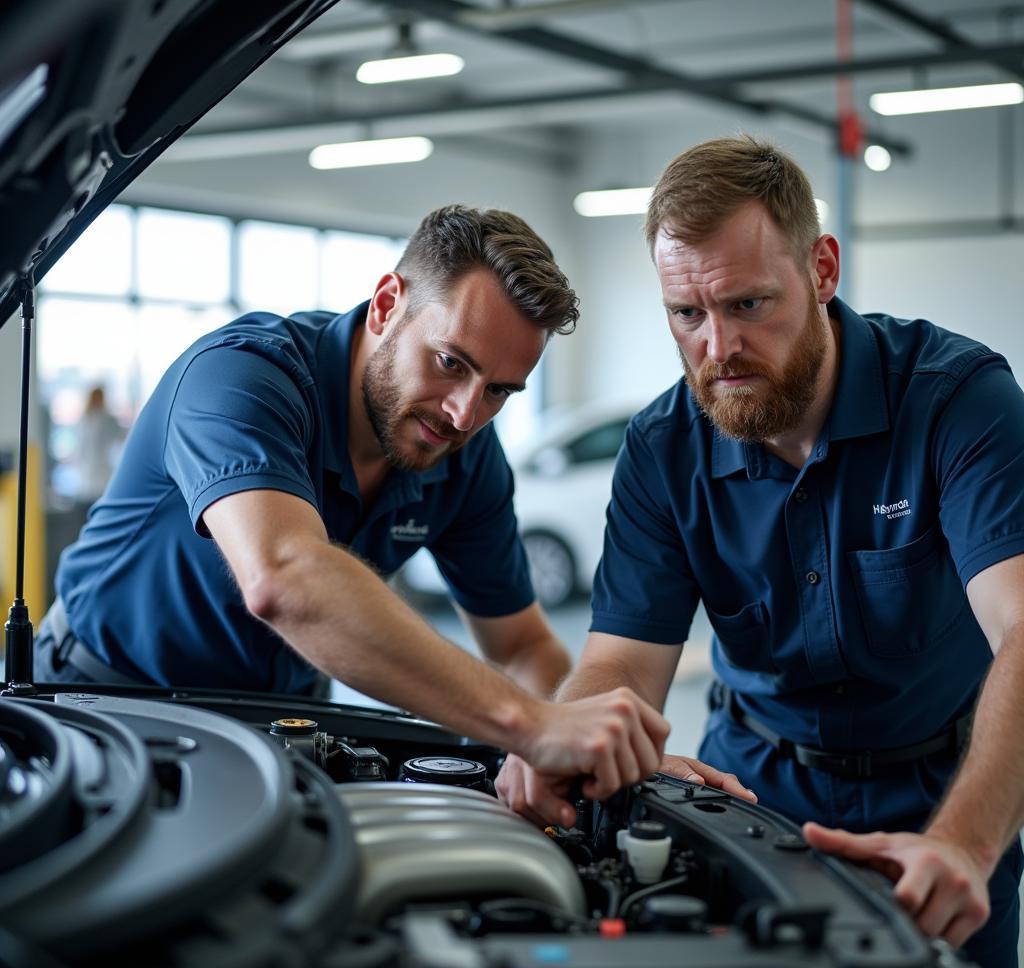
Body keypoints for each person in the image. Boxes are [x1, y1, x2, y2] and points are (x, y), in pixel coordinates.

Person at [497, 137, 1024, 968]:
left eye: (748, 303)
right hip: (749, 798)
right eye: (687, 315)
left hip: (944, 797)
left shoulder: (958, 402)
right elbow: (623, 661)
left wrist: (965, 842)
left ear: (822, 268)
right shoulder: (663, 449)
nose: (718, 348)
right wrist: (560, 730)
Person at [35, 204, 669, 800]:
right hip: (103, 706)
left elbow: (522, 646)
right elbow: (284, 578)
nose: (464, 413)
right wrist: (527, 724)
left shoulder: (467, 454)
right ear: (388, 304)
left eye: (499, 391)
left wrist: (568, 748)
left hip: (280, 728)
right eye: (450, 362)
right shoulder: (242, 377)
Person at [73, 384, 124, 504]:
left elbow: (120, 439)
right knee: (88, 501)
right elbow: (81, 448)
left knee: (101, 498)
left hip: (104, 470)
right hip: (87, 471)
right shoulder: (85, 420)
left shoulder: (109, 420)